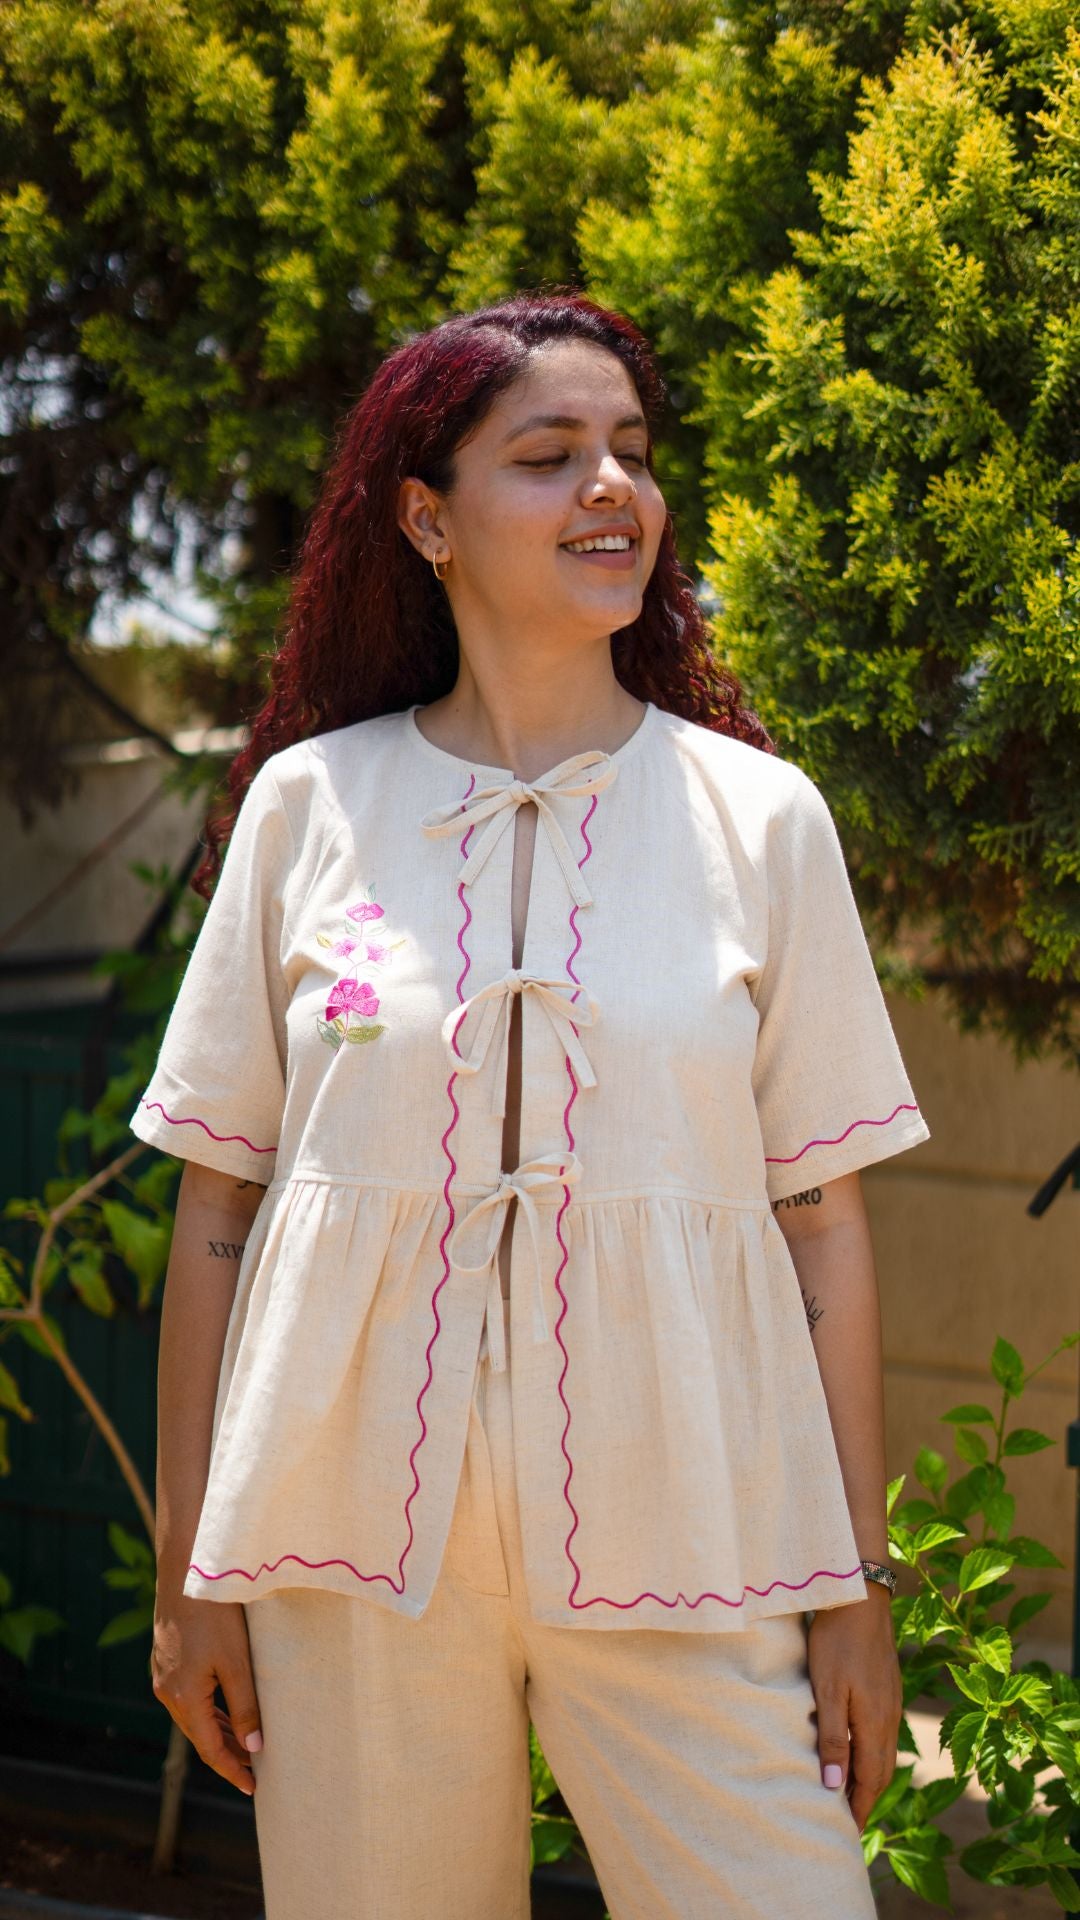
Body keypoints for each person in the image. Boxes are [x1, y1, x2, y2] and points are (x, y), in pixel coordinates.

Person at [141, 290, 930, 1920]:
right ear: (426, 517)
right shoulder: (308, 807)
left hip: (694, 1528)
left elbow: (823, 1223)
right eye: (550, 453)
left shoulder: (760, 818)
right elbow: (217, 1206)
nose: (612, 487)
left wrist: (858, 1586)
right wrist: (188, 1573)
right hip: (346, 1544)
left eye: (631, 450)